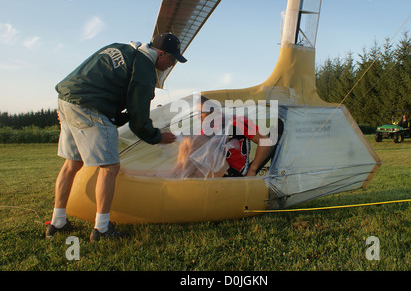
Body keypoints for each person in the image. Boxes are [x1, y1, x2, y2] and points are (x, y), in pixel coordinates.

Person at [46, 33, 186, 241]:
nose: (171, 64)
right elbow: (139, 121)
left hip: (67, 99)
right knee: (110, 167)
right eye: (172, 59)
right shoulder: (145, 68)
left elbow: (98, 81)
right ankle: (101, 229)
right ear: (161, 53)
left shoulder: (121, 48)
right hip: (89, 107)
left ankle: (57, 222)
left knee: (72, 163)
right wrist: (157, 136)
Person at [190, 95, 272, 177]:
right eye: (197, 113)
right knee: (187, 144)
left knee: (198, 141)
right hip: (216, 172)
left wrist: (252, 170)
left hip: (234, 173)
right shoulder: (205, 129)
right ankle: (179, 179)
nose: (198, 117)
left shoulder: (236, 122)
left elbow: (265, 141)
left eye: (201, 112)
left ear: (214, 110)